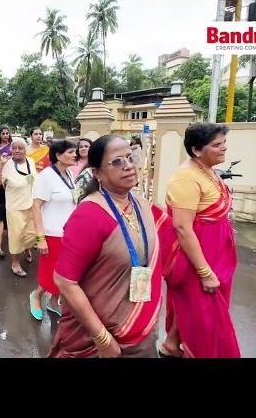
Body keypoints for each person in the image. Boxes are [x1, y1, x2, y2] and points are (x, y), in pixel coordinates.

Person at [49, 135, 164, 358]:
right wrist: (102, 338)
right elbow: (64, 281)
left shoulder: (139, 203)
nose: (129, 166)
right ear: (97, 173)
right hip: (100, 339)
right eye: (117, 161)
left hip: (141, 328)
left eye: (130, 158)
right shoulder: (89, 215)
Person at [157, 122, 241, 358]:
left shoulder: (209, 170)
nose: (224, 149)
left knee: (197, 305)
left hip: (217, 252)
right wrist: (204, 271)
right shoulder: (185, 178)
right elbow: (183, 228)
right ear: (196, 150)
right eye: (217, 145)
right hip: (197, 256)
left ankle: (171, 345)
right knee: (204, 310)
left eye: (224, 143)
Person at [29, 139, 78, 320]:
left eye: (75, 152)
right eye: (70, 152)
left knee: (64, 273)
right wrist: (40, 238)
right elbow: (36, 207)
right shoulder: (47, 176)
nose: (75, 155)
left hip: (70, 234)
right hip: (51, 234)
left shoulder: (70, 174)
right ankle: (36, 296)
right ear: (58, 155)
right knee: (50, 273)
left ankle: (53, 300)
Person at [0, 138, 38, 277]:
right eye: (15, 148)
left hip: (30, 204)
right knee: (16, 236)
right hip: (15, 207)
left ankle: (25, 248)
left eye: (21, 148)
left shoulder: (30, 161)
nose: (17, 151)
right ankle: (15, 263)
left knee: (32, 234)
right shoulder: (7, 164)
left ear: (25, 150)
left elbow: (34, 180)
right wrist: (1, 165)